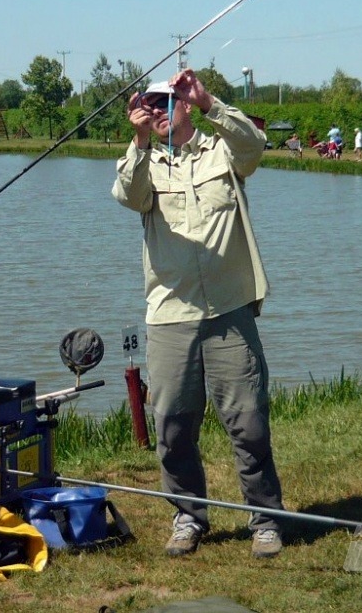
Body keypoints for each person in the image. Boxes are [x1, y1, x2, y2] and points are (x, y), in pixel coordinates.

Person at [111, 69, 285, 559]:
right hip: (170, 315)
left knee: (248, 421)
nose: (159, 111)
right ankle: (188, 517)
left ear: (185, 104)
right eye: (150, 104)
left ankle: (266, 519)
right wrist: (139, 139)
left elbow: (254, 146)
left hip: (231, 309)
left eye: (168, 102)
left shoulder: (222, 151)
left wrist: (210, 101)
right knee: (171, 425)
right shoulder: (142, 162)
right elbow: (128, 195)